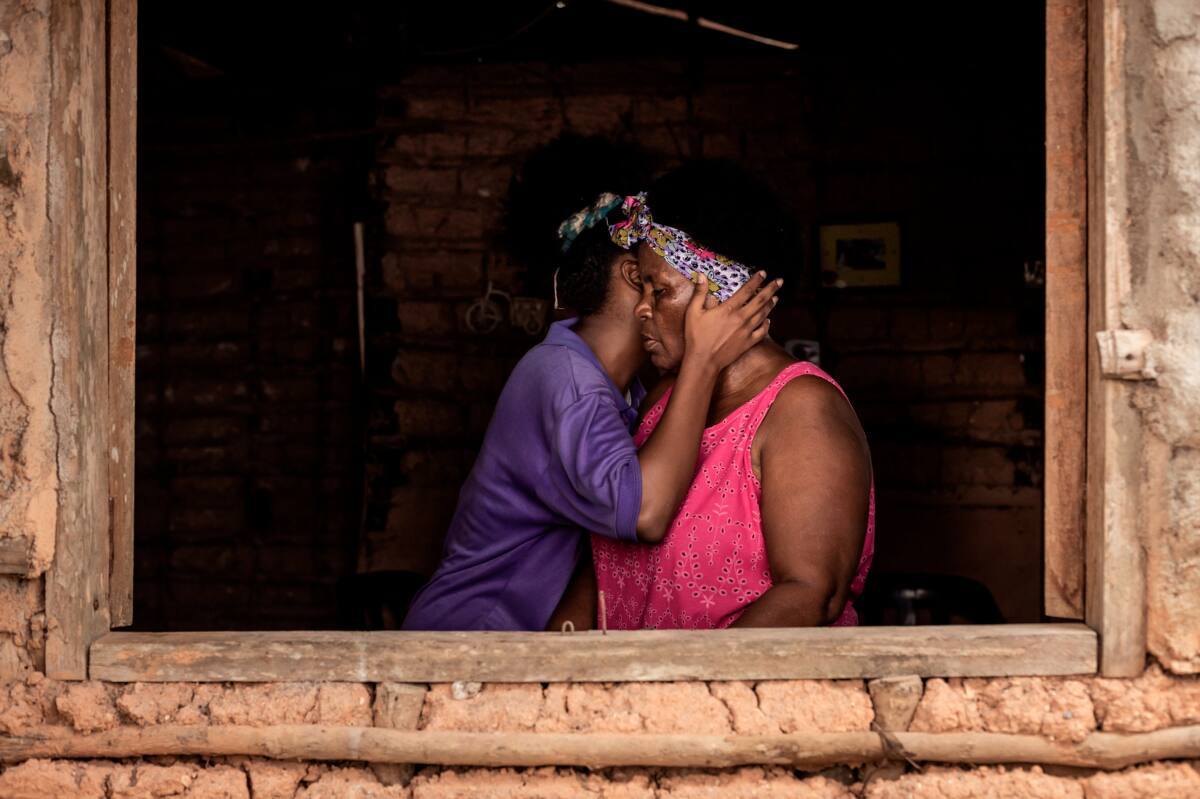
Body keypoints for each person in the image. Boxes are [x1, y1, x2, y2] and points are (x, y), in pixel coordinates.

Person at [401, 143, 783, 632]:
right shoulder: (564, 380)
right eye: (660, 278)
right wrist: (703, 363)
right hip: (470, 646)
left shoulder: (625, 393)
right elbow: (644, 514)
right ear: (635, 275)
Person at [574, 162, 875, 630]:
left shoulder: (801, 410)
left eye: (659, 290)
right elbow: (610, 560)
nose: (642, 308)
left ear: (723, 297)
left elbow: (811, 594)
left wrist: (690, 691)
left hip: (726, 697)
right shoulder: (664, 401)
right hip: (632, 694)